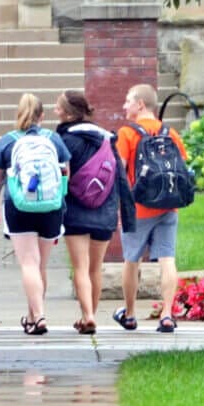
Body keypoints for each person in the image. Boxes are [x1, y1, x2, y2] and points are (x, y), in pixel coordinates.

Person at [0, 93, 71, 336]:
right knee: (40, 266)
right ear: (42, 116)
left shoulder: (7, 141)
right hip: (52, 207)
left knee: (28, 264)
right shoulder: (54, 139)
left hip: (19, 206)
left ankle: (40, 314)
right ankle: (33, 316)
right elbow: (66, 174)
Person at [54, 90, 134, 335]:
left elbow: (60, 178)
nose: (55, 111)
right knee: (95, 268)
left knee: (80, 267)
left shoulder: (64, 140)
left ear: (67, 114)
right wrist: (127, 217)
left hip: (76, 211)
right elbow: (120, 178)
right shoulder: (108, 138)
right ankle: (88, 315)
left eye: (58, 108)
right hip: (105, 210)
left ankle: (87, 315)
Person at [113, 83, 188, 333]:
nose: (124, 106)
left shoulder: (127, 134)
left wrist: (117, 205)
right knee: (167, 259)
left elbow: (118, 171)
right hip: (169, 206)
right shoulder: (170, 132)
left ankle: (130, 314)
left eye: (128, 101)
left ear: (140, 105)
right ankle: (167, 315)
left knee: (131, 260)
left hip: (138, 208)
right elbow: (182, 167)